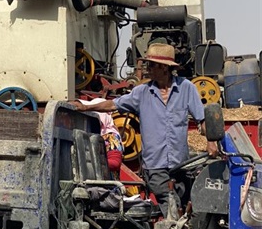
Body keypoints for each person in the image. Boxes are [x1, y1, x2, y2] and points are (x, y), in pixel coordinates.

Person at [70, 43, 218, 218]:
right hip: (155, 166)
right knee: (169, 202)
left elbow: (202, 119)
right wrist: (86, 107)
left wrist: (212, 140)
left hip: (180, 165)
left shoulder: (186, 88)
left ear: (165, 68)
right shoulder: (141, 93)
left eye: (152, 65)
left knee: (184, 207)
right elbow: (113, 104)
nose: (148, 69)